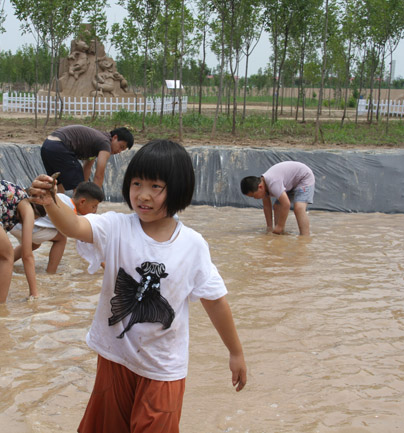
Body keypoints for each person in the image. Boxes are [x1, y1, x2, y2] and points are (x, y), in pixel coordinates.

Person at [29, 140, 247, 432]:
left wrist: (235, 352)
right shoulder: (115, 227)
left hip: (163, 367)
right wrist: (51, 203)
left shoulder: (192, 245)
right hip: (115, 356)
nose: (143, 195)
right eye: (136, 184)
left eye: (156, 187)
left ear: (178, 189)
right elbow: (74, 227)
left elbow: (214, 300)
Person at [10, 181, 105, 274]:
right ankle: (51, 272)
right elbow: (88, 243)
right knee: (61, 238)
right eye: (94, 206)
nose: (95, 211)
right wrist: (106, 265)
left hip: (13, 224)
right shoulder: (71, 214)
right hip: (24, 225)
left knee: (35, 244)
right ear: (82, 202)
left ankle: (8, 260)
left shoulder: (62, 197)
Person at [40, 125, 133, 193]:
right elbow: (99, 175)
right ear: (115, 137)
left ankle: (59, 210)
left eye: (123, 150)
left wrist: (85, 190)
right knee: (78, 186)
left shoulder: (97, 141)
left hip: (47, 145)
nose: (119, 151)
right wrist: (94, 197)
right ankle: (79, 213)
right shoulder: (105, 144)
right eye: (121, 146)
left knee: (57, 183)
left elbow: (87, 168)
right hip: (59, 146)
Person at [241, 161, 315, 236]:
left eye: (253, 196)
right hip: (291, 183)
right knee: (277, 207)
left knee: (298, 208)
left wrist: (280, 226)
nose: (255, 198)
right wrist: (269, 228)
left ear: (260, 187)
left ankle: (305, 237)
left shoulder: (273, 183)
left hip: (304, 178)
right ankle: (280, 234)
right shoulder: (263, 186)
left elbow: (286, 205)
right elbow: (267, 207)